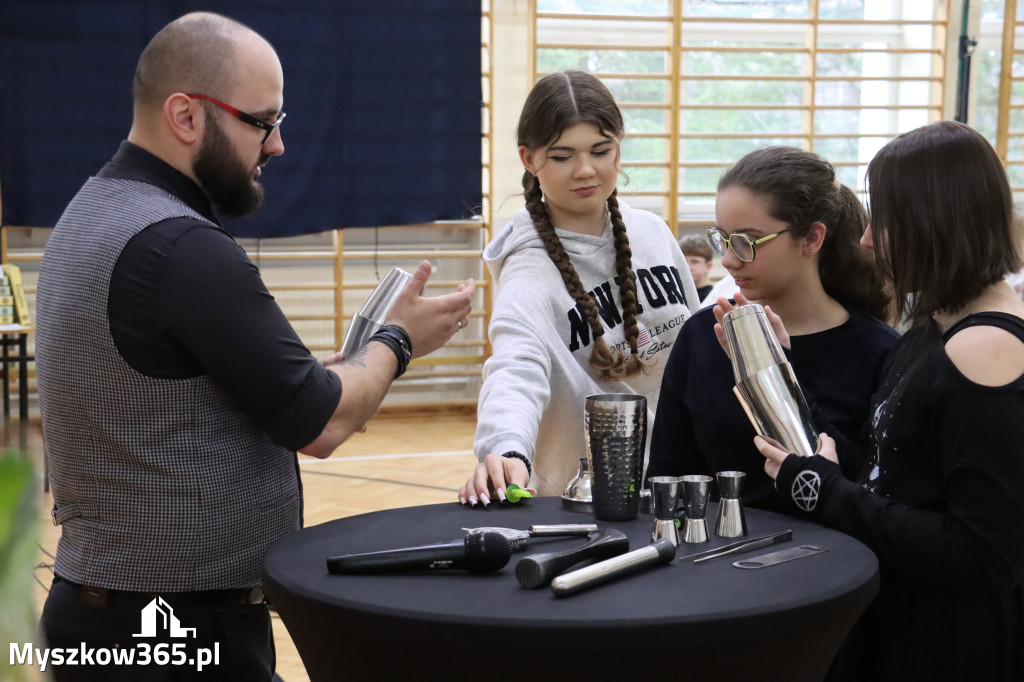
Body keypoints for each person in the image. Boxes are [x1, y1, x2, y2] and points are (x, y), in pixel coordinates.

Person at [34, 12, 473, 681]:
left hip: (104, 612)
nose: (278, 145)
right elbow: (322, 423)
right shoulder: (181, 247)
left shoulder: (92, 210)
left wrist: (299, 377)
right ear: (186, 116)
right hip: (175, 634)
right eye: (262, 121)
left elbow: (159, 386)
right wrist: (398, 339)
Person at [751, 121, 1024, 681]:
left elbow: (984, 555)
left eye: (885, 219)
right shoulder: (935, 326)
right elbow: (890, 474)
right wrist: (781, 375)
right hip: (901, 618)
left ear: (934, 220)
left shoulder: (989, 349)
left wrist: (825, 494)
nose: (870, 239)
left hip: (950, 644)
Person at [459, 70, 699, 504]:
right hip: (587, 500)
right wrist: (506, 447)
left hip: (680, 483)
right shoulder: (528, 271)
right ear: (529, 159)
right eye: (562, 156)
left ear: (618, 150)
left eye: (600, 150)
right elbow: (514, 367)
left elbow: (697, 349)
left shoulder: (653, 233)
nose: (585, 170)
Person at [646, 146, 898, 512]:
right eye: (723, 239)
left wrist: (779, 380)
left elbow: (871, 487)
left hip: (835, 559)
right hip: (714, 557)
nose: (729, 260)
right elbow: (668, 478)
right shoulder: (703, 335)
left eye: (747, 242)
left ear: (812, 238)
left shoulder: (879, 350)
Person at [679, 233, 715, 302]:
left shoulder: (714, 299)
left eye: (695, 262)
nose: (688, 267)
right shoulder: (678, 298)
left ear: (708, 266)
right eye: (684, 262)